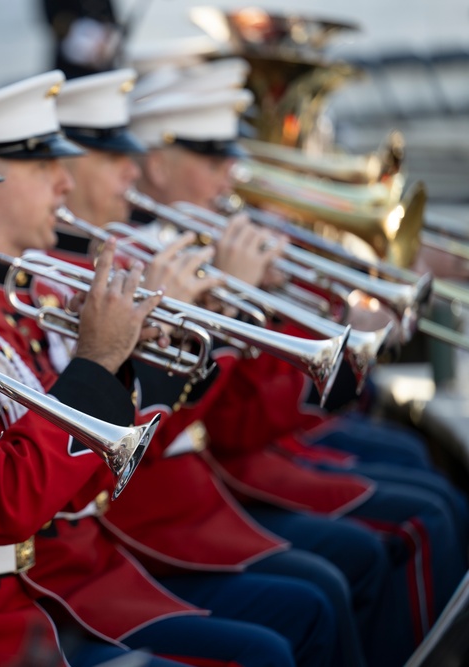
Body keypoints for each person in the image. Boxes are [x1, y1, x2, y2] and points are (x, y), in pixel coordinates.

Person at [0, 73, 310, 667]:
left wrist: (139, 357)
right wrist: (101, 360)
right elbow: (10, 501)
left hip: (31, 604)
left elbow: (89, 475)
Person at [0, 67, 347, 667]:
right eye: (47, 167)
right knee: (299, 613)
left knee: (326, 586)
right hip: (87, 558)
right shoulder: (14, 302)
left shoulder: (37, 291)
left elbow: (250, 417)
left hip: (129, 539)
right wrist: (144, 356)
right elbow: (75, 478)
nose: (129, 171)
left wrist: (231, 326)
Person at [125, 59, 466, 666]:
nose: (232, 173)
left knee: (424, 488)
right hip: (183, 495)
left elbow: (268, 405)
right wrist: (252, 317)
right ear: (155, 162)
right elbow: (234, 425)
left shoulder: (209, 239)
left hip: (220, 473)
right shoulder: (141, 262)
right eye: (212, 158)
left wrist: (333, 321)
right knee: (414, 524)